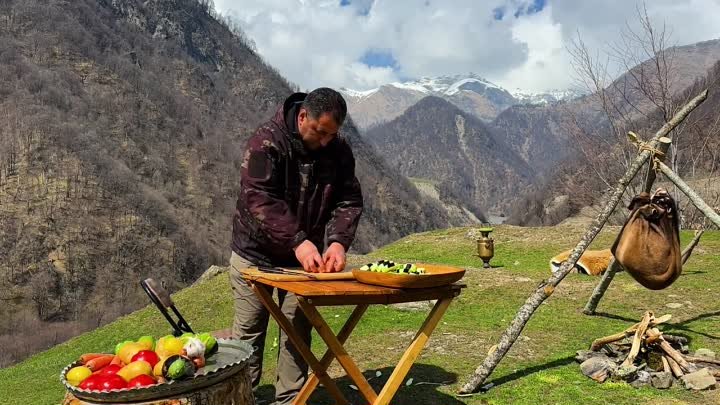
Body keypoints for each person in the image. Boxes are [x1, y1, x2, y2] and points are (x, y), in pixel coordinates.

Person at [229, 87, 363, 404]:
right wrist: (297, 241)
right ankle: (241, 398)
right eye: (321, 132)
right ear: (303, 116)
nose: (326, 140)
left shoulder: (338, 150)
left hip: (305, 263)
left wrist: (337, 243)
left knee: (297, 332)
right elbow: (259, 200)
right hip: (255, 255)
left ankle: (290, 400)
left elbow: (348, 200)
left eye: (332, 134)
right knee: (248, 334)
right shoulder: (266, 143)